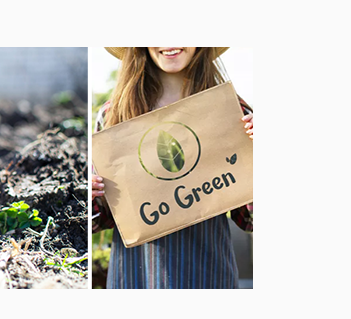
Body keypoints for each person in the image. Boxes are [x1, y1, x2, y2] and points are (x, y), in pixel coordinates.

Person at [92, 47, 253, 289]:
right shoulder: (114, 115)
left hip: (209, 277)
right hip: (138, 278)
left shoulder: (231, 110)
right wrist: (92, 194)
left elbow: (249, 219)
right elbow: (99, 220)